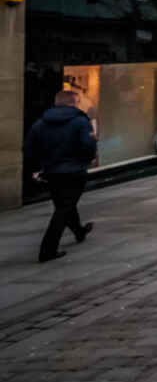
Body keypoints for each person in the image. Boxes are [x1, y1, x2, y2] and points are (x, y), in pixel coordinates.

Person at [25, 89, 97, 262]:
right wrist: (87, 160)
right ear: (74, 102)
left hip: (52, 172)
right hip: (74, 171)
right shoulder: (81, 121)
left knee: (64, 204)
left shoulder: (40, 123)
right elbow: (88, 146)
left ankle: (79, 231)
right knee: (64, 208)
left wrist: (39, 167)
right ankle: (47, 250)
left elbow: (29, 148)